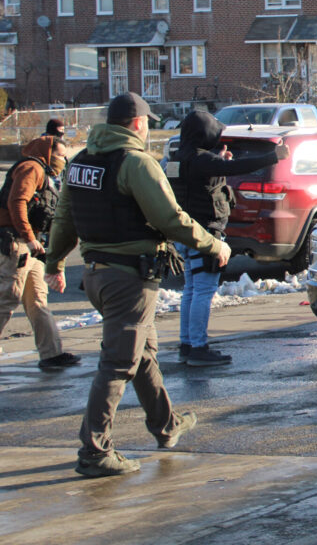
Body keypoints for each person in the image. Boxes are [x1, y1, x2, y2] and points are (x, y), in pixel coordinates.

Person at [44, 92, 232, 479]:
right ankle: (94, 452)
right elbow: (171, 219)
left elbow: (64, 219)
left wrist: (55, 262)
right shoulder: (135, 163)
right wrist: (215, 244)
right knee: (118, 363)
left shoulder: (80, 162)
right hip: (128, 278)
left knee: (143, 353)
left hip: (96, 274)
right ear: (137, 124)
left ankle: (166, 425)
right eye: (147, 122)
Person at [167, 111, 288, 366]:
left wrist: (218, 160)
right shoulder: (201, 160)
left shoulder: (177, 159)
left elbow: (204, 178)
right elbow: (234, 168)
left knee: (191, 289)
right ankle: (198, 347)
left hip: (186, 233)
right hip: (205, 234)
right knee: (203, 291)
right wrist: (272, 157)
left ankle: (187, 344)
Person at [0, 136, 79, 370]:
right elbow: (17, 202)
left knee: (37, 299)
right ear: (47, 153)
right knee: (7, 298)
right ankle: (51, 353)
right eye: (59, 155)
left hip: (30, 247)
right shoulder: (31, 168)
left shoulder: (41, 171)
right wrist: (30, 238)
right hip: (17, 244)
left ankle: (51, 353)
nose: (63, 160)